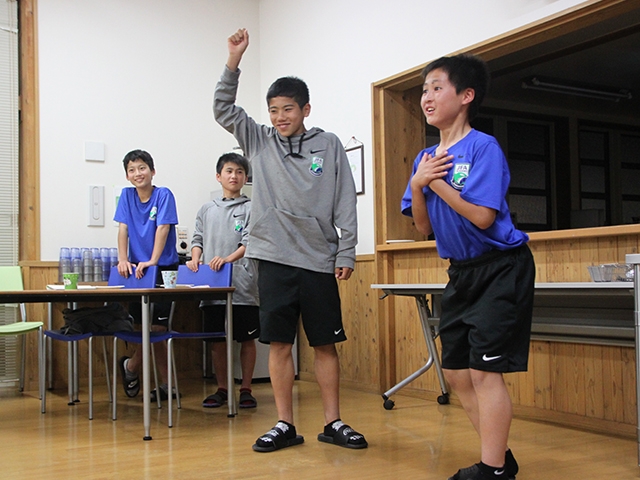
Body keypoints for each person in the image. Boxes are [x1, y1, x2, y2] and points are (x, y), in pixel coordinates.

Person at [214, 28, 367, 452]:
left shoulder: (328, 145)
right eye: (273, 111)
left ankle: (333, 422)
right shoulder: (259, 141)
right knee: (279, 344)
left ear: (305, 109)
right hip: (273, 258)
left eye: (287, 109)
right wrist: (234, 59)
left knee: (325, 344)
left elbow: (344, 199)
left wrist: (347, 251)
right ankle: (285, 424)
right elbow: (222, 108)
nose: (280, 117)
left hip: (318, 259)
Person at [401, 54, 535, 480]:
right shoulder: (425, 157)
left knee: (484, 371)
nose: (427, 97)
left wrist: (433, 182)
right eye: (424, 90)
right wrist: (419, 184)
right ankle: (501, 458)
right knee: (457, 373)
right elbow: (423, 227)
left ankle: (492, 469)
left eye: (437, 87)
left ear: (466, 95)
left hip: (501, 268)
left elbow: (481, 216)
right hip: (461, 272)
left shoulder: (482, 147)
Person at [186, 152, 260, 409]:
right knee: (218, 339)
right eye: (229, 171)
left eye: (239, 172)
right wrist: (195, 259)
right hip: (212, 284)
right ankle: (223, 388)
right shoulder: (207, 209)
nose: (234, 176)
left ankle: (246, 389)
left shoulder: (252, 207)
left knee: (246, 338)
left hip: (243, 282)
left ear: (246, 178)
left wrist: (227, 259)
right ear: (219, 176)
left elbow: (250, 241)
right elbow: (197, 239)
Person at [114, 149, 180, 402]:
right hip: (137, 270)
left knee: (158, 327)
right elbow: (123, 229)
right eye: (132, 170)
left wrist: (153, 260)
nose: (137, 173)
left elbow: (163, 228)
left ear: (152, 171)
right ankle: (166, 384)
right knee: (142, 328)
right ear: (127, 176)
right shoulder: (127, 196)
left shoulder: (163, 195)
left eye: (142, 168)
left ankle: (132, 367)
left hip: (163, 268)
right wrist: (123, 259)